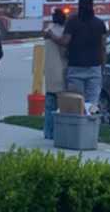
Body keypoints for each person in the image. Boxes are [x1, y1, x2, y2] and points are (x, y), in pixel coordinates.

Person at [45, 0, 107, 110]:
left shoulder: (73, 22)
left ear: (79, 7)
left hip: (75, 68)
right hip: (94, 68)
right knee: (92, 105)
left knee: (76, 104)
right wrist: (102, 67)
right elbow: (103, 47)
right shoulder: (100, 24)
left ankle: (77, 126)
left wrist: (51, 35)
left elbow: (65, 41)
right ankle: (90, 126)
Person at [42, 9, 67, 140]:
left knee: (49, 105)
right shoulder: (62, 33)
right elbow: (64, 52)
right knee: (60, 107)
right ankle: (56, 132)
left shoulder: (49, 30)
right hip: (61, 71)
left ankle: (47, 132)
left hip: (50, 72)